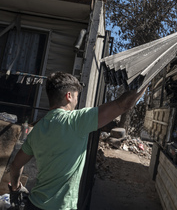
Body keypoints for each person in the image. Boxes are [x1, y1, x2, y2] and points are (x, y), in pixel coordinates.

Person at [9, 71, 146, 209]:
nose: (76, 101)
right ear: (68, 96)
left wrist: (16, 188)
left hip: (33, 204)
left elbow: (15, 166)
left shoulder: (37, 129)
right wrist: (149, 75)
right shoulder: (75, 121)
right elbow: (123, 105)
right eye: (76, 96)